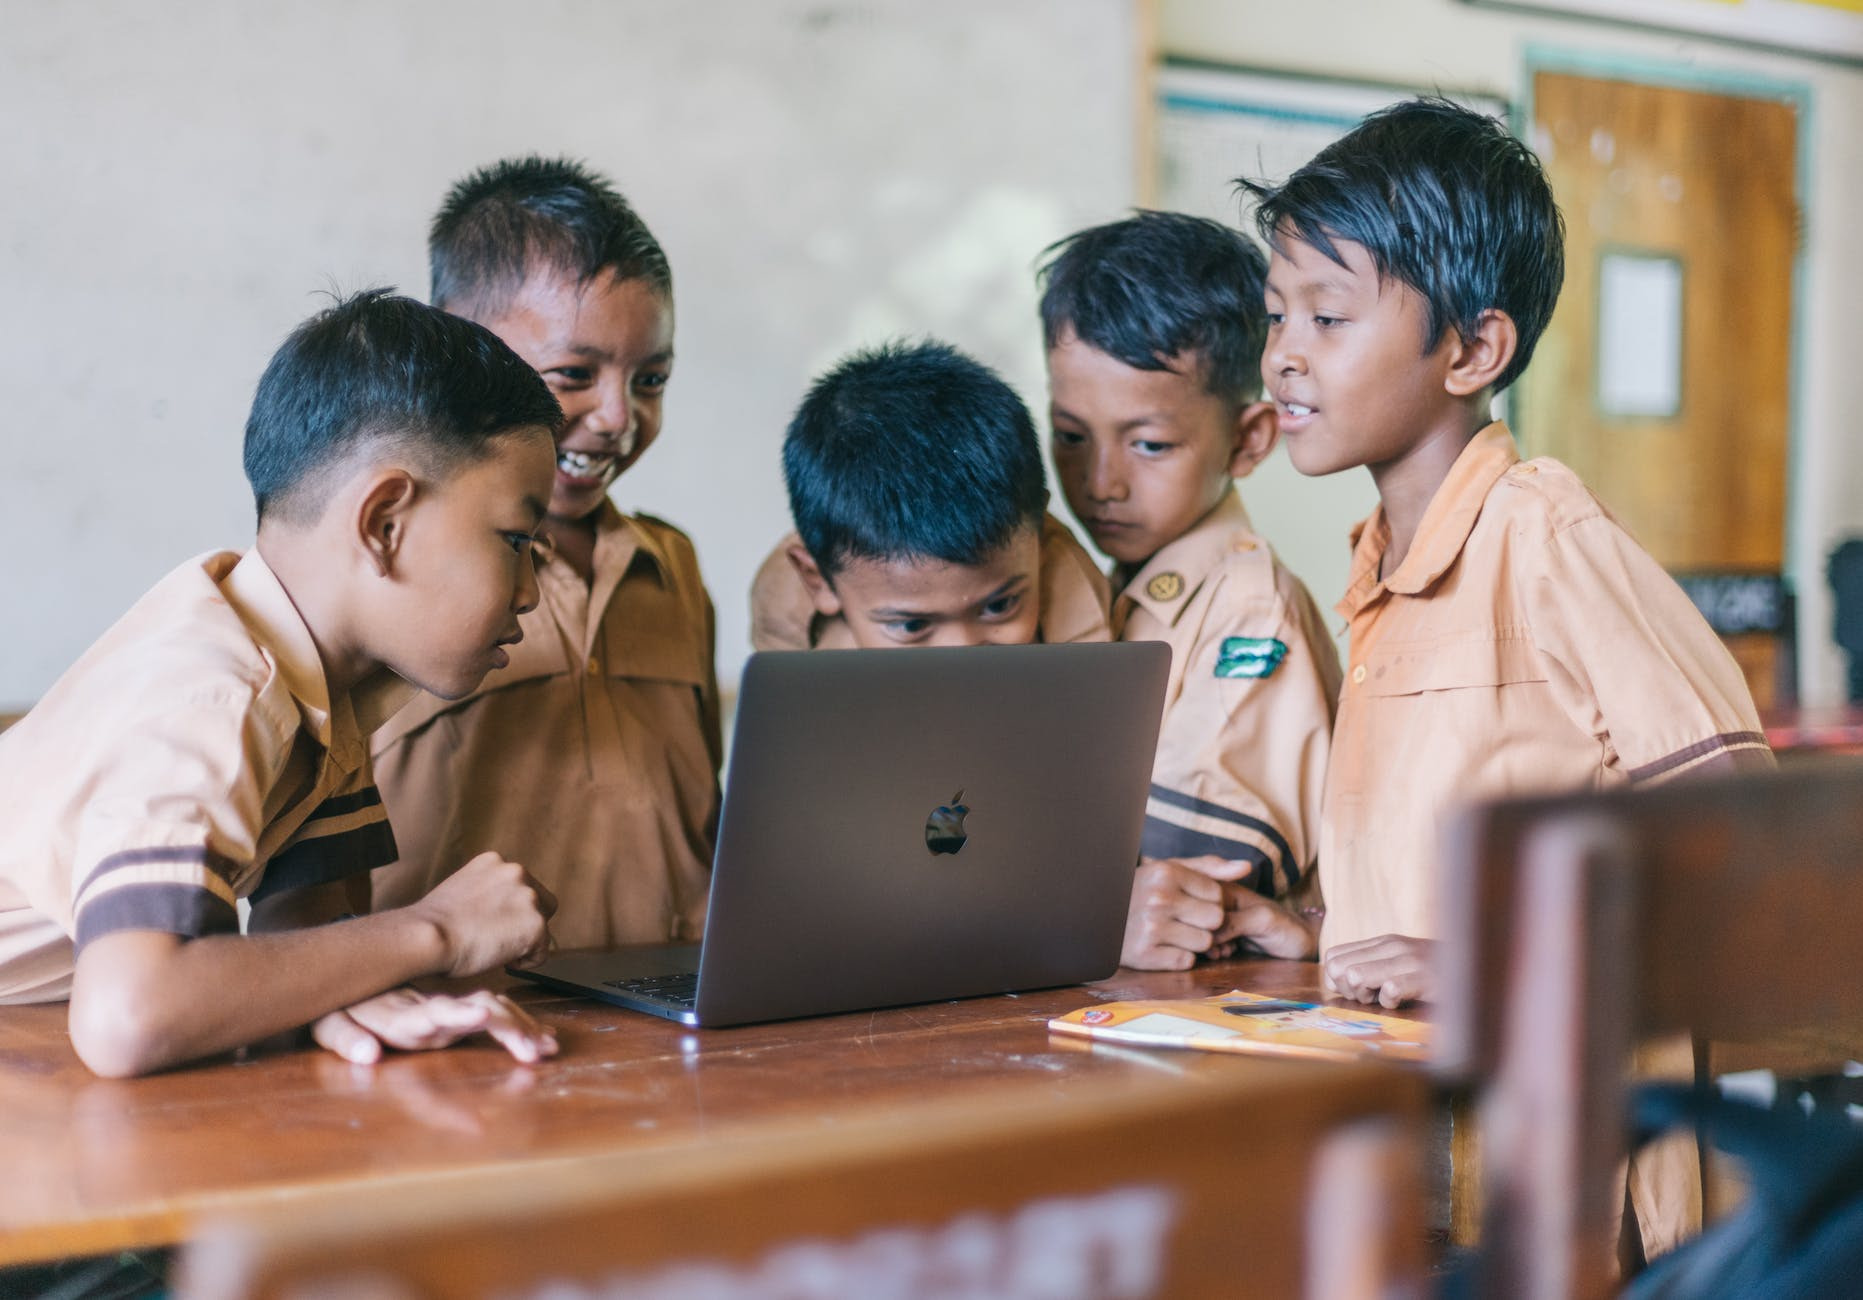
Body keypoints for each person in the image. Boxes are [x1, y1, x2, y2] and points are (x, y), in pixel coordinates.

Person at [1245, 99, 1772, 1261]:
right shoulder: (1377, 571)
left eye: (1327, 316)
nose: (1282, 352)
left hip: (1578, 1200)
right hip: (1430, 1165)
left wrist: (1495, 952)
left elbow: (1747, 845)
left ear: (1474, 351)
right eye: (1277, 314)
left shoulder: (1541, 534)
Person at [0, 290, 562, 1076]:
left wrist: (352, 987)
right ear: (383, 523)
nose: (531, 589)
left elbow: (306, 925)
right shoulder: (212, 693)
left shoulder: (322, 677)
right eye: (516, 539)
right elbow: (128, 1015)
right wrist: (436, 929)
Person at [371, 158, 720, 949]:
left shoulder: (670, 569)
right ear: (459, 350)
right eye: (574, 373)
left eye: (651, 379)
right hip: (457, 1023)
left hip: (669, 1017)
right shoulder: (381, 568)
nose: (617, 417)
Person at [1039, 212, 1340, 971]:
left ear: (1248, 440)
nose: (1100, 482)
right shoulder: (1091, 585)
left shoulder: (1249, 611)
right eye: (1070, 435)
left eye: (1148, 445)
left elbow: (1187, 891)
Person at [749, 339, 1112, 651]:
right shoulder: (783, 609)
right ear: (818, 582)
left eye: (1000, 606)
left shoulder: (1080, 611)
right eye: (911, 626)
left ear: (1039, 538)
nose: (962, 655)